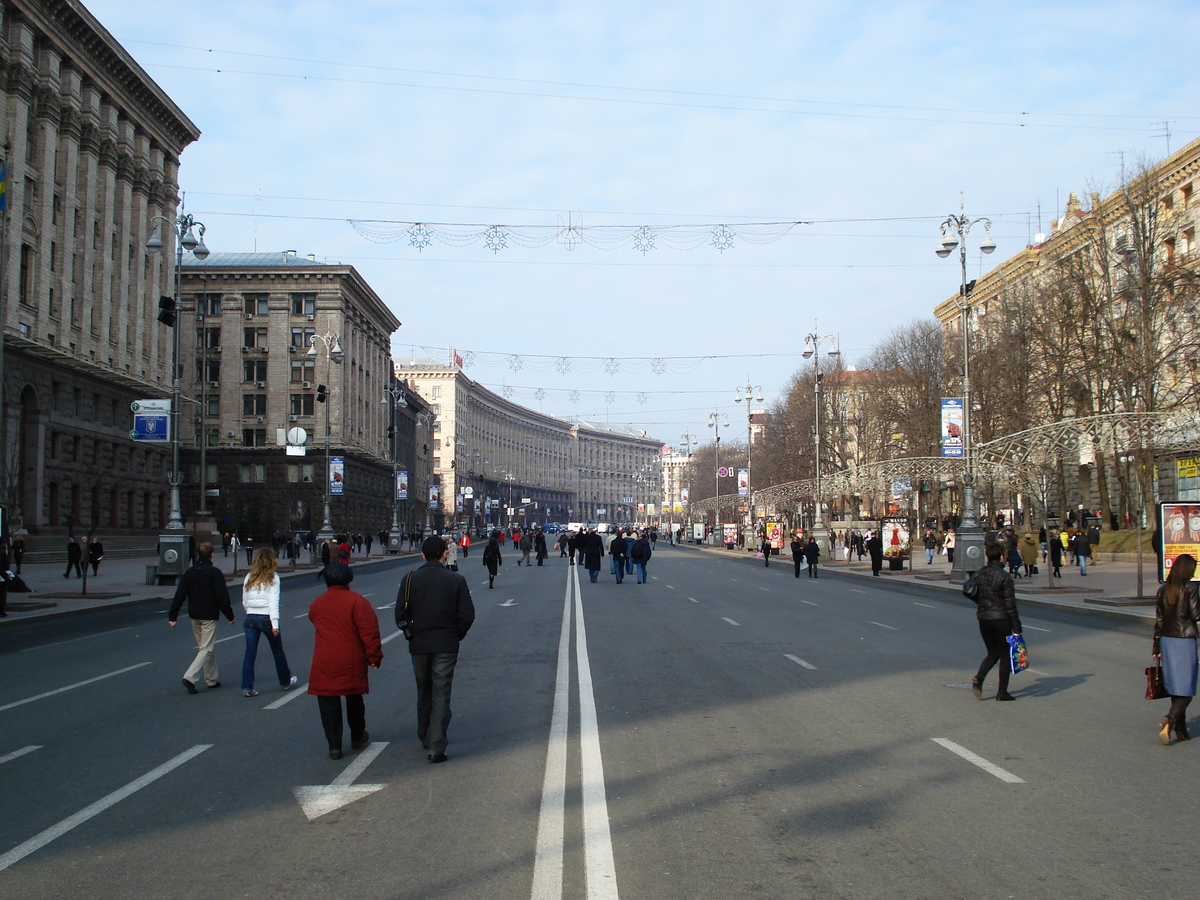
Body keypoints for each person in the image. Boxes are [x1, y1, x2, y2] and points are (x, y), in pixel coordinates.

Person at [395, 536, 475, 763]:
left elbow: (400, 615)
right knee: (441, 692)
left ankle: (424, 734)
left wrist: (410, 632)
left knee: (424, 689)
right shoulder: (456, 580)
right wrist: (456, 633)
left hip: (419, 644)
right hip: (446, 644)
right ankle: (437, 746)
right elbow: (467, 615)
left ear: (422, 555)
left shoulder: (409, 579)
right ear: (443, 555)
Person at [308, 563, 381, 760]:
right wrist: (374, 657)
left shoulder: (317, 603)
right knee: (354, 698)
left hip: (324, 658)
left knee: (328, 702)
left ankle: (334, 746)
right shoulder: (357, 601)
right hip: (351, 657)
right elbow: (370, 632)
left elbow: (313, 618)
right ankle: (357, 736)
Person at [168, 542, 236, 693]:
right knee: (206, 648)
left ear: (198, 554)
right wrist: (229, 615)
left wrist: (173, 616)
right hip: (209, 615)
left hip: (194, 615)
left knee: (204, 648)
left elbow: (180, 595)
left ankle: (211, 679)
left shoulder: (190, 572)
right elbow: (222, 597)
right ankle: (190, 677)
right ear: (211, 555)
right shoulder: (214, 572)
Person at [240, 548, 299, 697]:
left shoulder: (249, 577)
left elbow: (245, 599)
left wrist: (249, 612)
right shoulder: (273, 578)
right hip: (266, 617)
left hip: (251, 617)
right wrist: (275, 624)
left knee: (250, 653)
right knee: (277, 651)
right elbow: (274, 602)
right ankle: (285, 681)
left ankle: (247, 687)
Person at [1153, 554, 1198, 744]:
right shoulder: (1190, 588)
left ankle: (1181, 730)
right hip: (1184, 639)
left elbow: (1159, 620)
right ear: (1188, 570)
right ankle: (1169, 720)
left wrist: (1156, 646)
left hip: (1167, 640)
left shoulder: (1163, 589)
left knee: (1176, 686)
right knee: (1187, 688)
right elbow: (1195, 614)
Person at [970, 542, 1022, 701]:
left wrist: (980, 601)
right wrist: (1017, 627)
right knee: (1005, 655)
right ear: (1001, 556)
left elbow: (967, 588)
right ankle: (1002, 692)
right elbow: (1010, 604)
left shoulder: (980, 573)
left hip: (984, 618)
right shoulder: (1004, 576)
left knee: (992, 653)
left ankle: (979, 677)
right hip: (1001, 619)